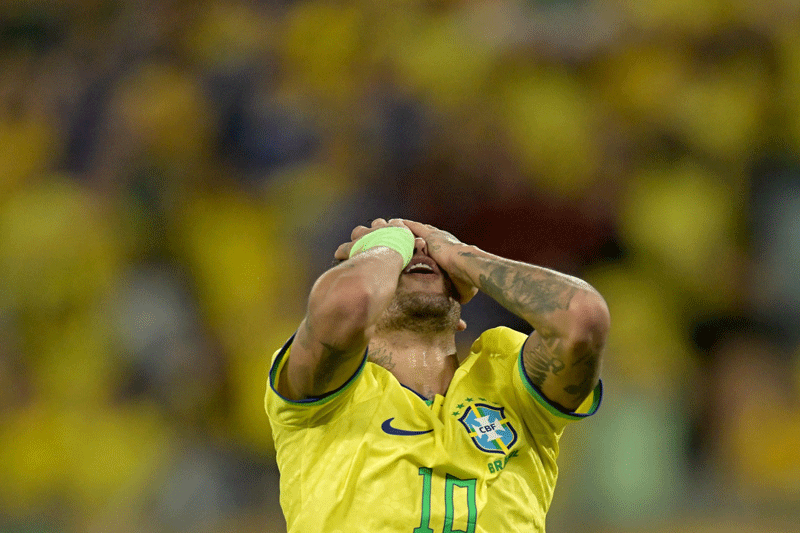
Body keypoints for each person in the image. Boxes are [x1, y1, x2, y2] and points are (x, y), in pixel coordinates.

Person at [265, 218, 610, 533]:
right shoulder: (322, 396)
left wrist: (462, 254)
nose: (417, 248)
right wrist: (386, 244)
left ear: (461, 316)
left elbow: (582, 317)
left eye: (429, 254)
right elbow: (349, 302)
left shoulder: (508, 381)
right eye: (398, 259)